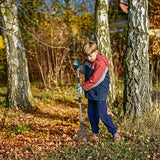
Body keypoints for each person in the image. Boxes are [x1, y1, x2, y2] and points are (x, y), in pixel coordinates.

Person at [73, 41, 121, 142]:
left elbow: (96, 79)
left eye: (90, 56)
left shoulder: (101, 62)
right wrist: (78, 67)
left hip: (100, 91)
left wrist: (83, 87)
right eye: (87, 56)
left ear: (96, 51)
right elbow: (86, 70)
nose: (89, 58)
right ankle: (95, 133)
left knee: (102, 113)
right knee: (91, 113)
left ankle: (115, 133)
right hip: (91, 91)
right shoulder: (88, 60)